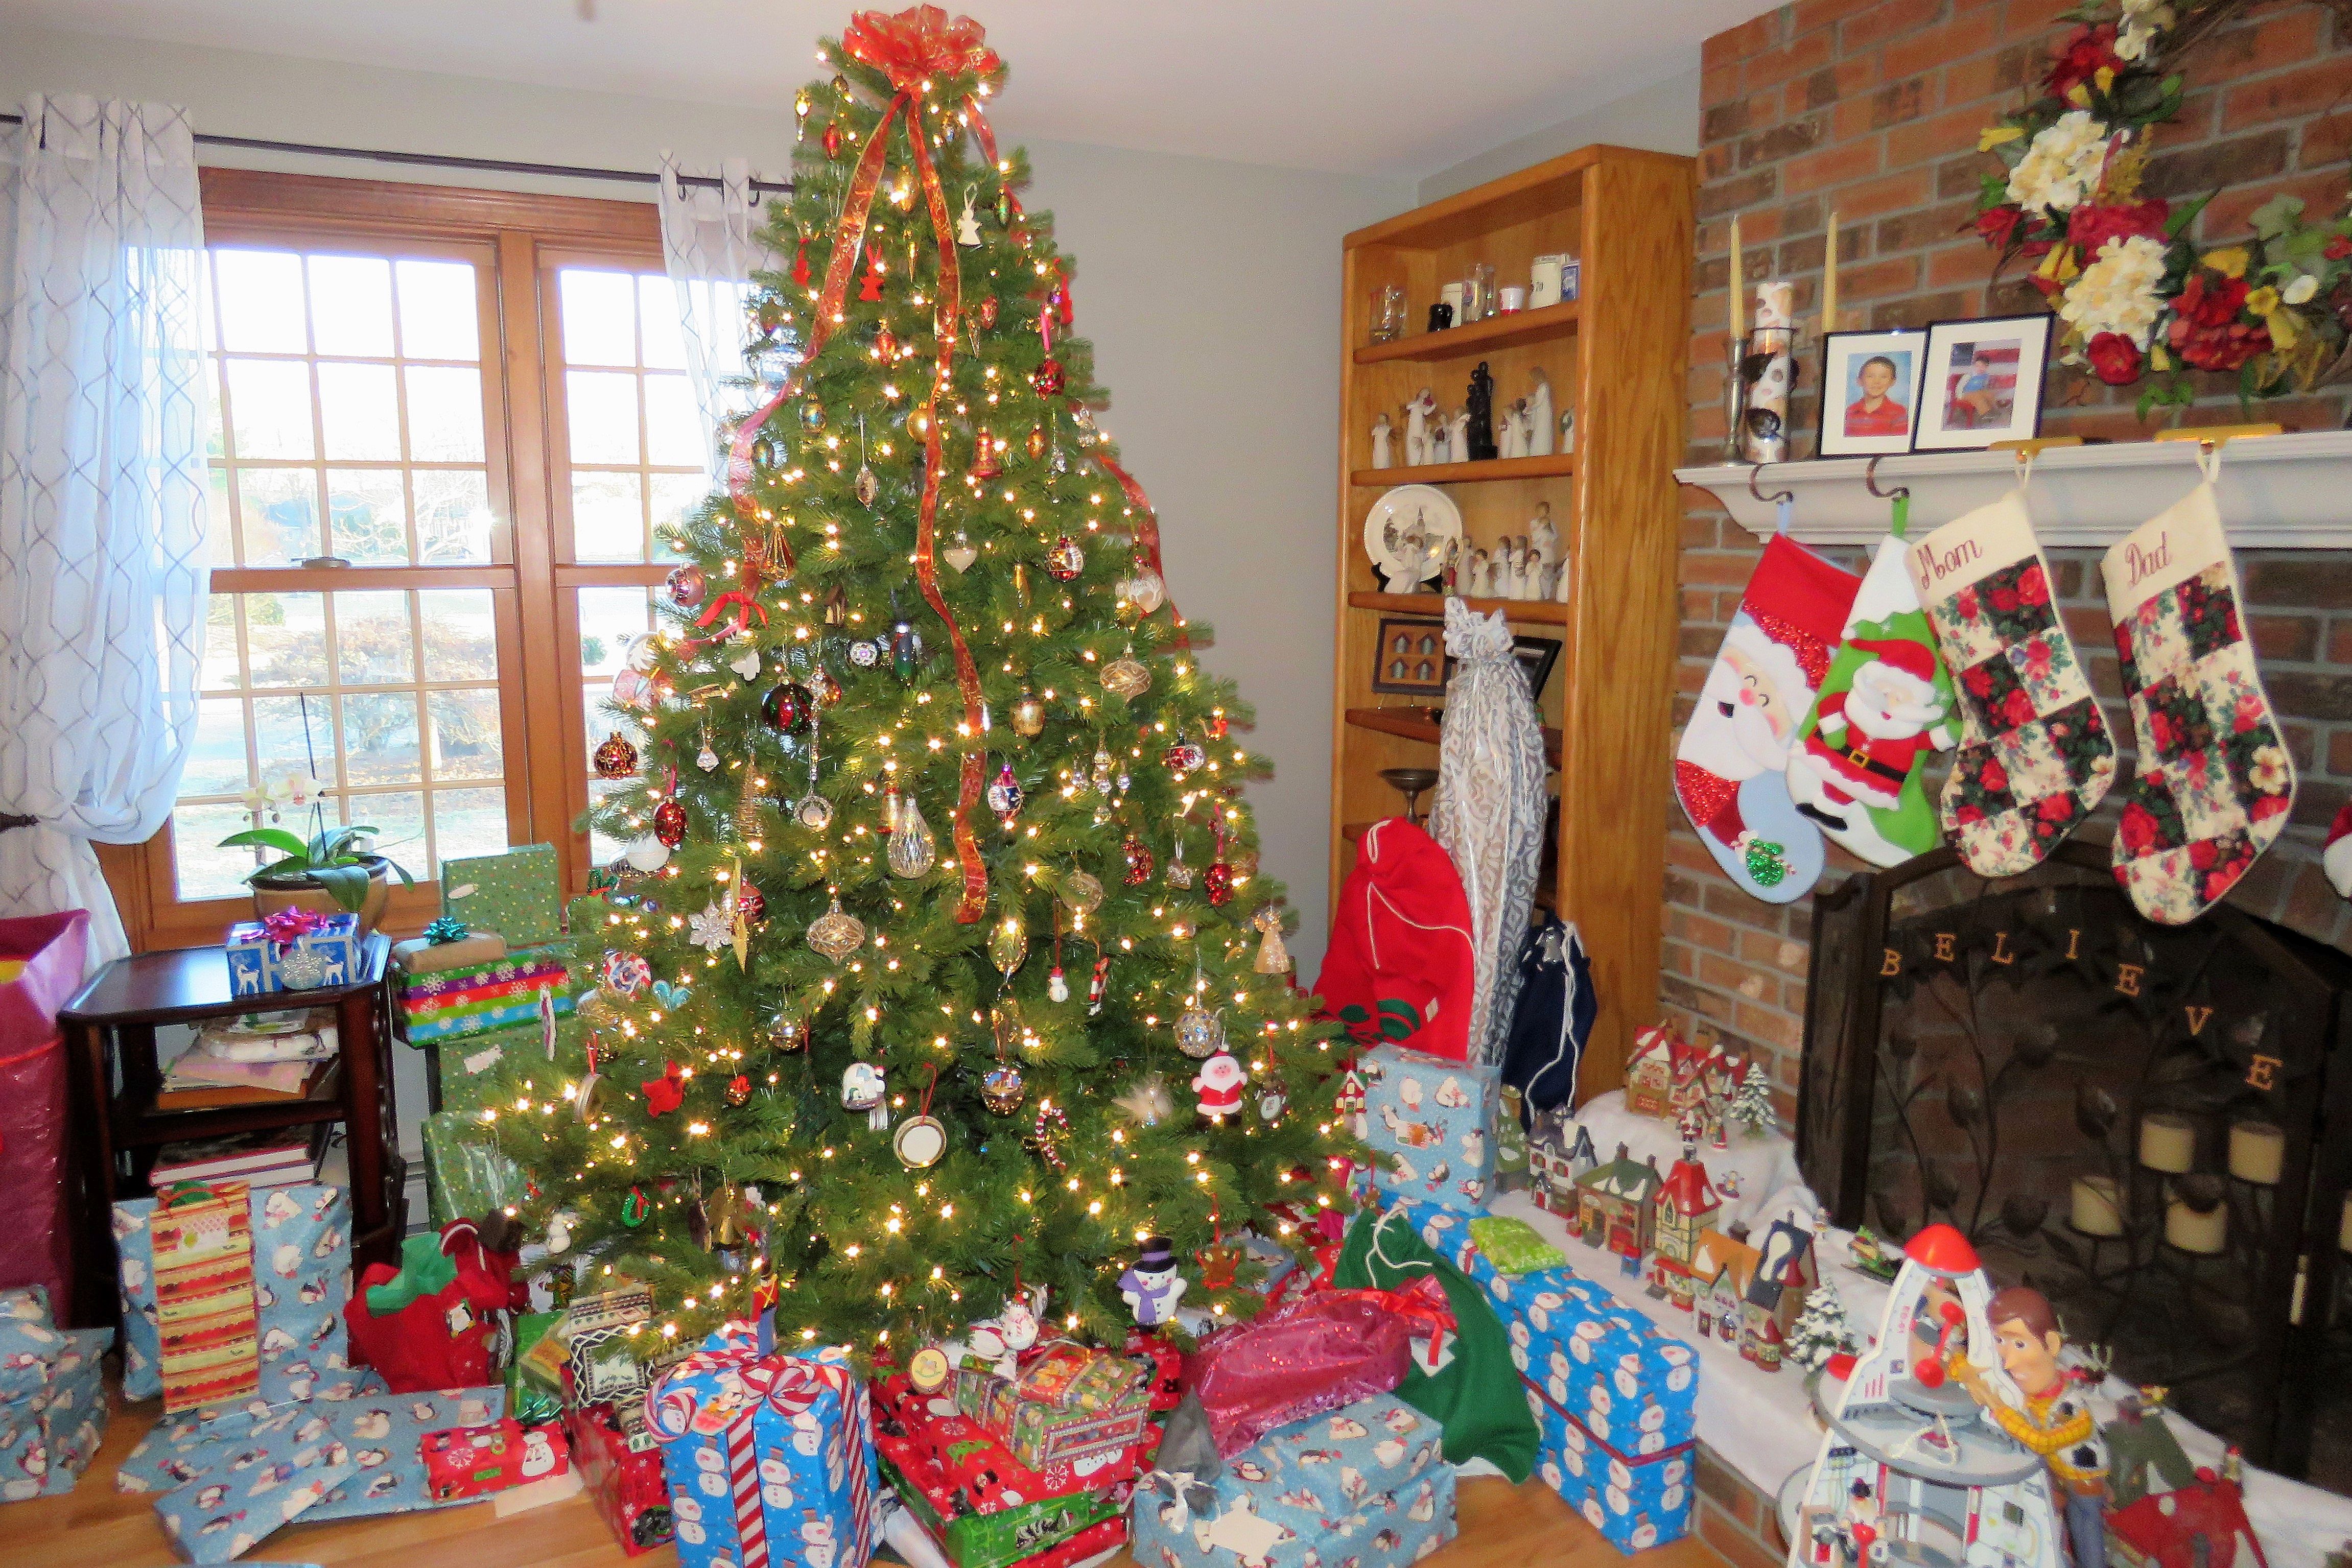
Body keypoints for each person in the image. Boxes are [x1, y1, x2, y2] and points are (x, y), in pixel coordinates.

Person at [1953, 1286, 2108, 1568]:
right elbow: (1964, 1363)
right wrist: (1965, 1369)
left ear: (2051, 1344)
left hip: (2083, 1488)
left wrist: (1998, 1406)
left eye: (2020, 1344)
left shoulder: (2075, 1411)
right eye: (2000, 1341)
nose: (2008, 1361)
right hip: (2049, 1480)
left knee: (2087, 1542)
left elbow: (2040, 1441)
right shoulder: (2025, 1392)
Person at [1844, 355, 1910, 438]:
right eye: (1870, 376)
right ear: (1859, 381)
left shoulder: (1898, 412)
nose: (1877, 382)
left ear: (1893, 382)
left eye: (1883, 377)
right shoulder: (1850, 412)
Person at [1954, 349, 2005, 427]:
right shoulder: (1969, 376)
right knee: (1977, 397)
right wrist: (1959, 397)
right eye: (1978, 366)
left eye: (1983, 367)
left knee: (1989, 394)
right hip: (1966, 394)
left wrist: (1985, 392)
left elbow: (1984, 385)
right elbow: (1960, 387)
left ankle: (1994, 410)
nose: (1980, 368)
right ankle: (1986, 414)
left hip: (1978, 392)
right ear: (1975, 366)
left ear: (1987, 367)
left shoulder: (1985, 376)